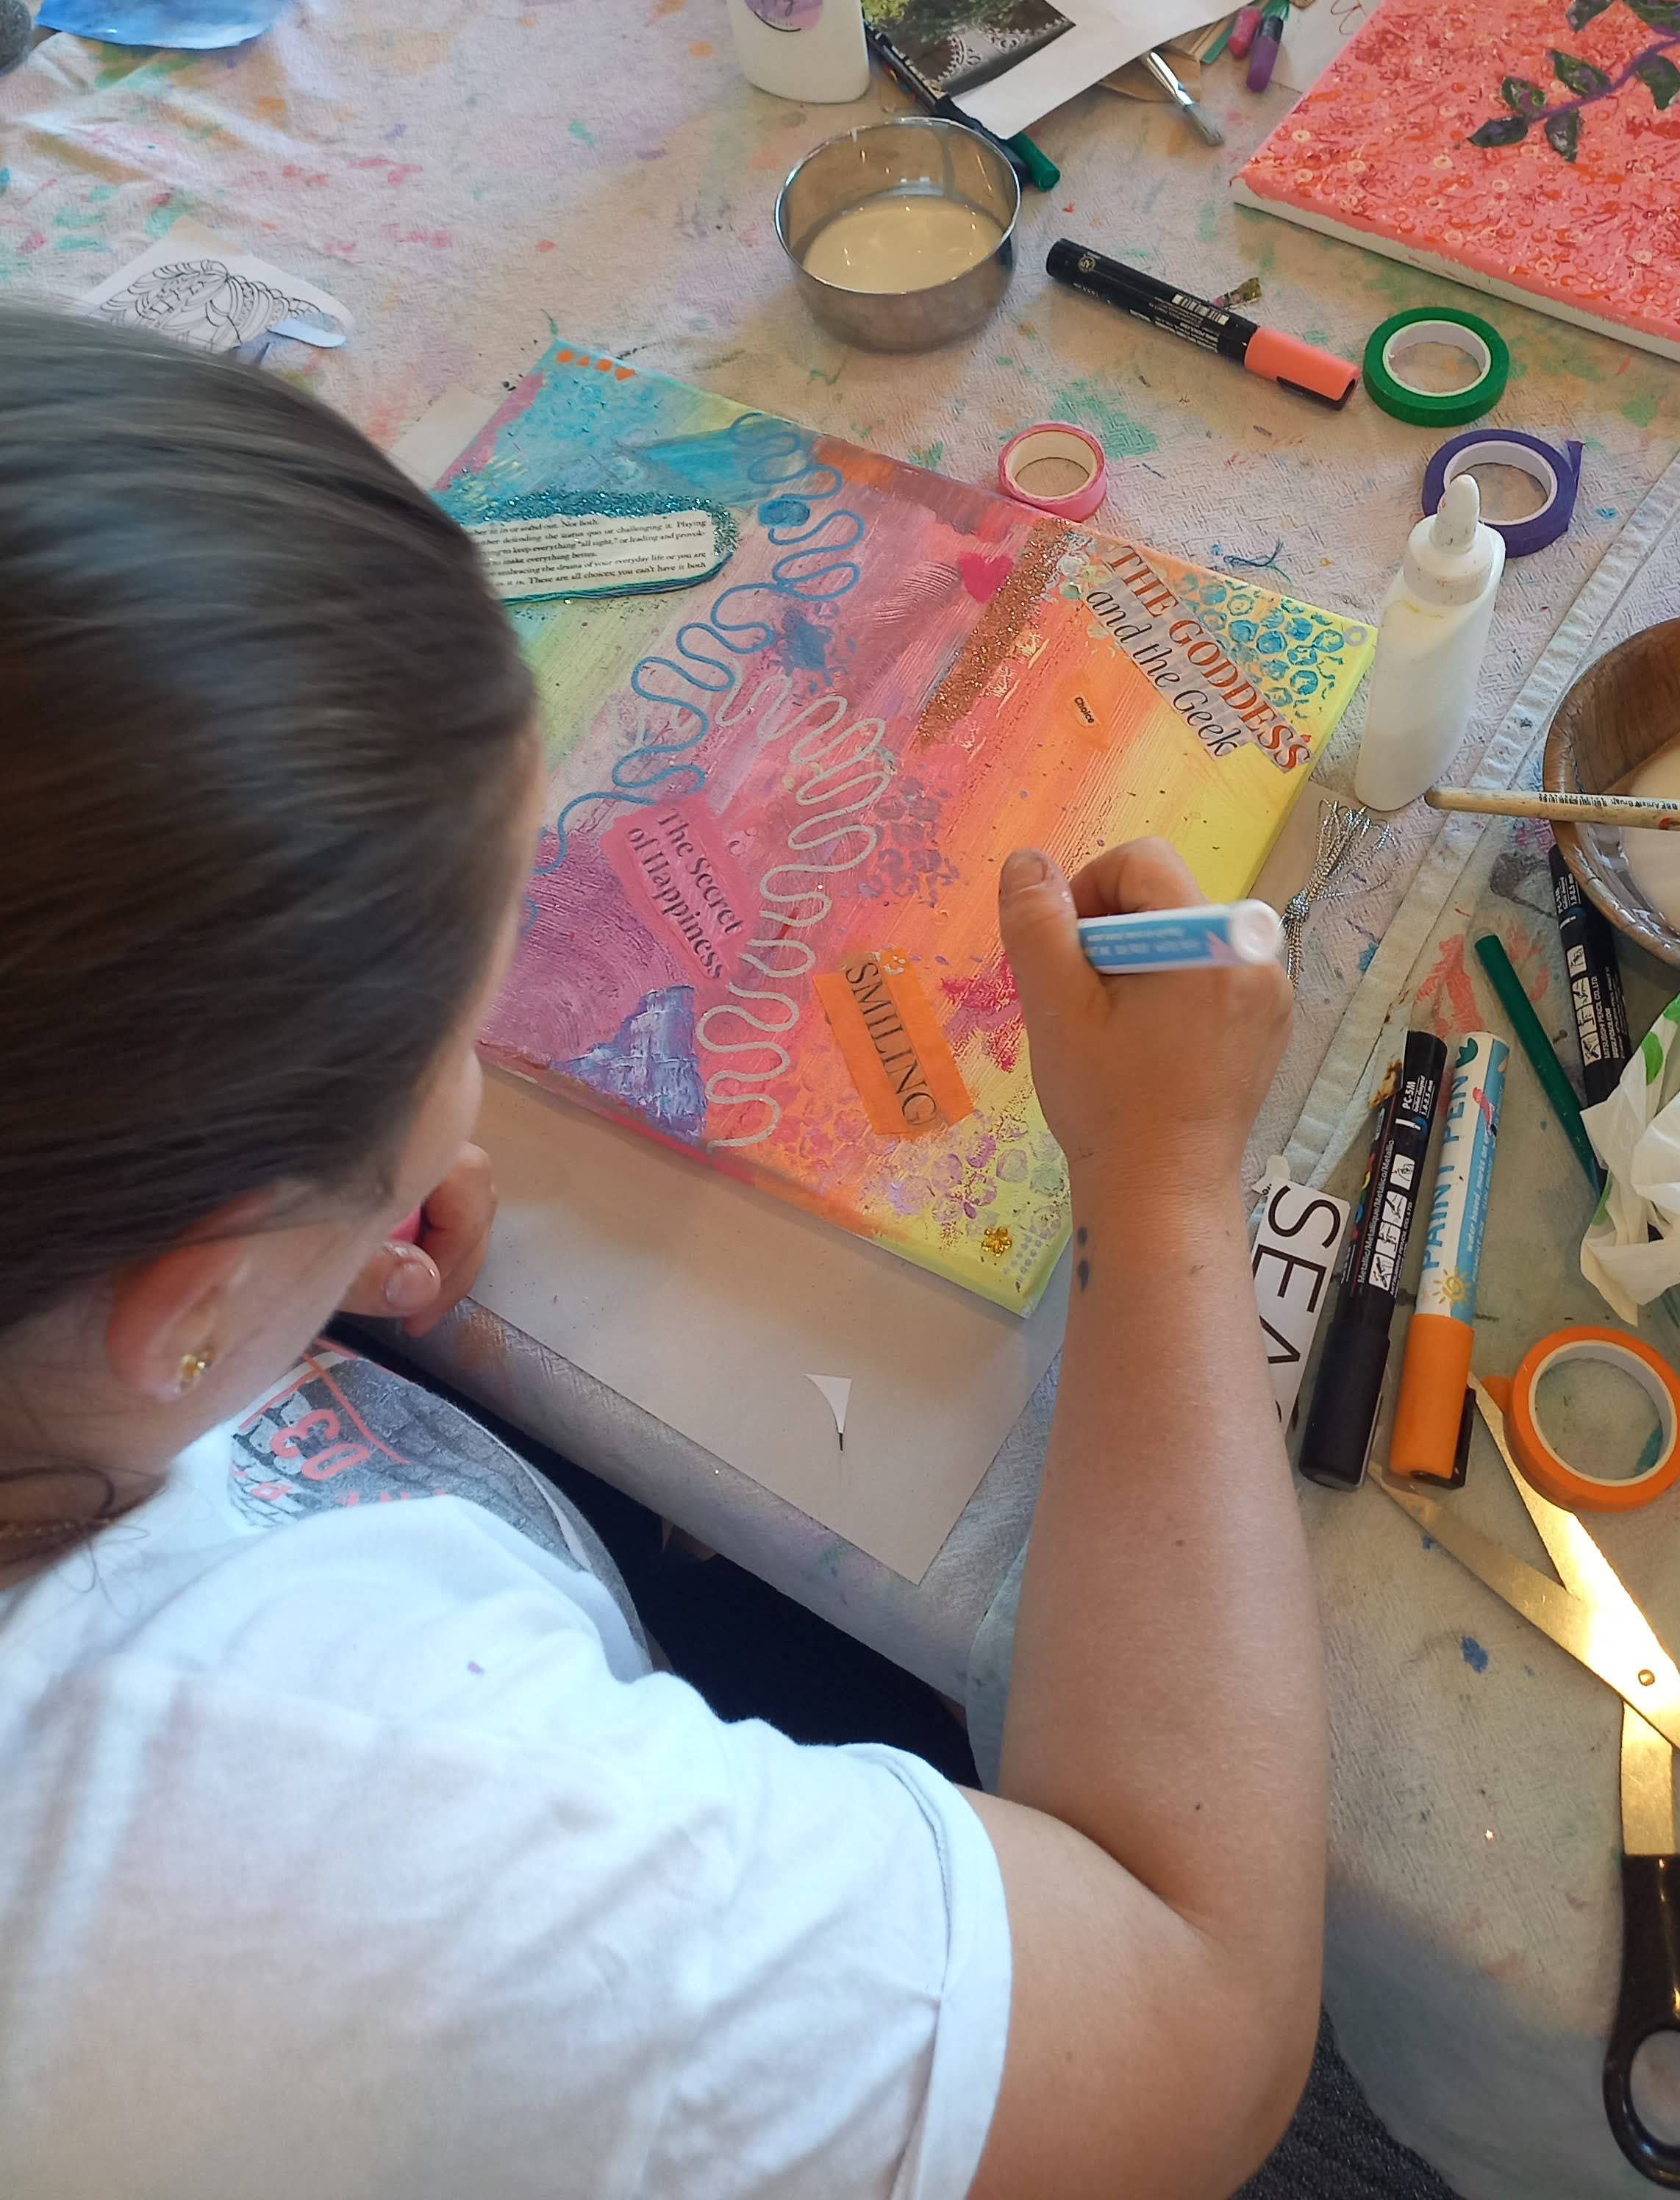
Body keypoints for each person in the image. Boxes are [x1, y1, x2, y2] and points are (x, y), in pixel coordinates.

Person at [0, 304, 1327, 2200]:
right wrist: (1167, 1177)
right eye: (457, 1035)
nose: (474, 1086)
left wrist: (261, 1280)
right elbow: (1198, 2020)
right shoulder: (389, 1846)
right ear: (186, 1292)